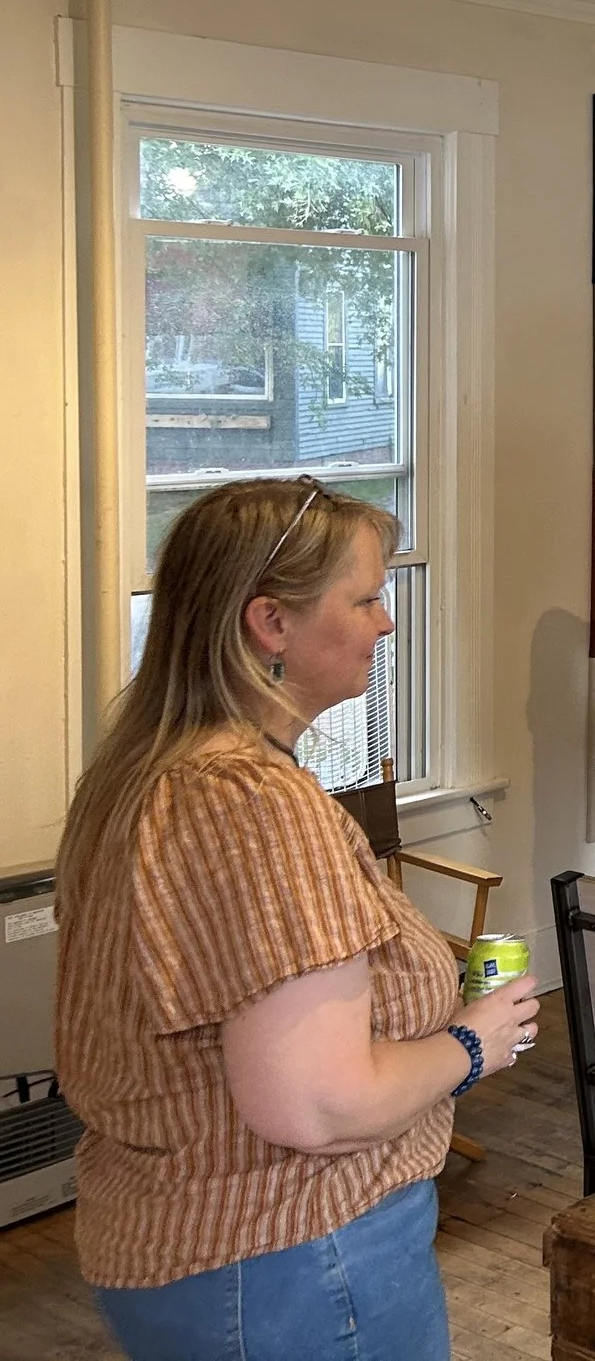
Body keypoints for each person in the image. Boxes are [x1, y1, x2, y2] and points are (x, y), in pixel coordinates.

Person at [54, 479, 539, 1361]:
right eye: (365, 599)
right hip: (295, 1260)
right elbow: (318, 1103)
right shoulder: (248, 803)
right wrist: (475, 1043)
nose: (386, 623)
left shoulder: (143, 772)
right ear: (270, 623)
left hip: (184, 1246)